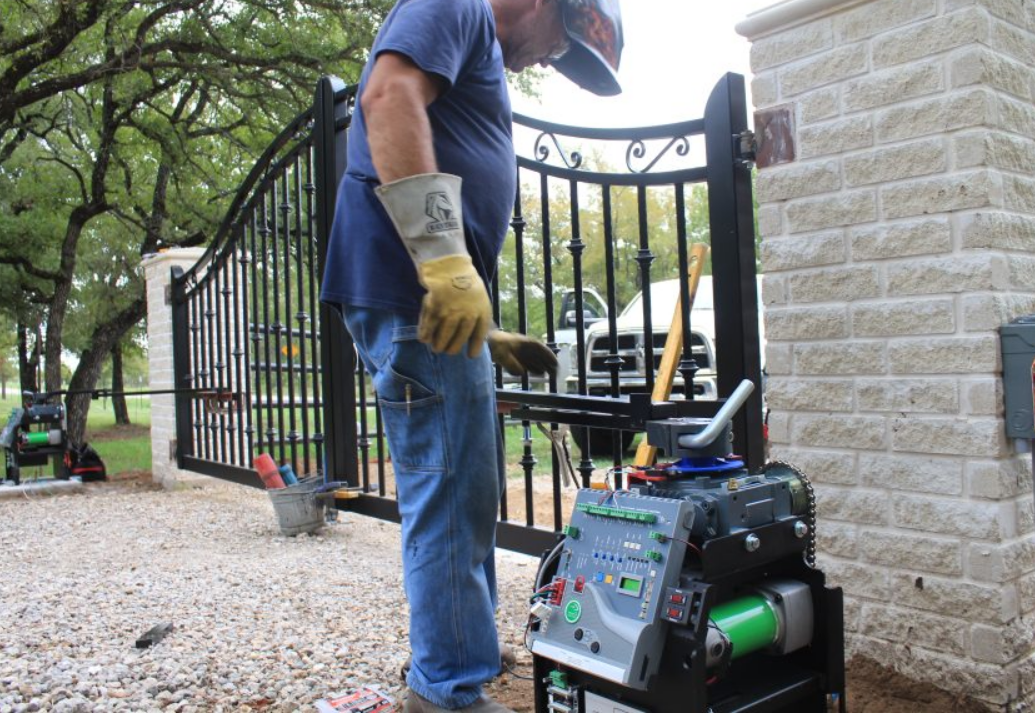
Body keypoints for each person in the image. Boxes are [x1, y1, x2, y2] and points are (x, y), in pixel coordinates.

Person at [320, 1, 624, 711]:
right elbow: (388, 98)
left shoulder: (471, 38)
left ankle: (456, 645)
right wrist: (446, 267)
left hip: (420, 297)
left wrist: (483, 327)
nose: (548, 58)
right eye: (560, 42)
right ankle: (446, 687)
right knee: (450, 491)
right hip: (412, 292)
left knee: (465, 485)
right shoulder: (455, 4)